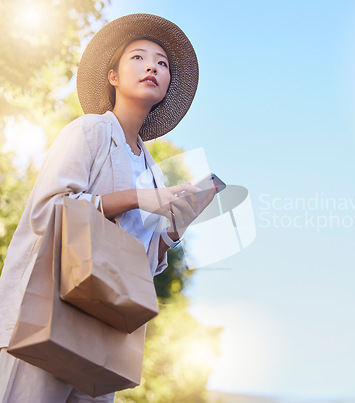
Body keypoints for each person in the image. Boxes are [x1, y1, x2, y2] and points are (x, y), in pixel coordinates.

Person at [0, 13, 215, 402]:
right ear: (112, 76)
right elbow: (48, 211)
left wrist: (172, 231)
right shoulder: (90, 131)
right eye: (138, 57)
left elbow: (138, 266)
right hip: (47, 315)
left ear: (167, 86)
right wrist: (136, 199)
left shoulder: (153, 173)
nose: (152, 66)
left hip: (101, 335)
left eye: (162, 63)